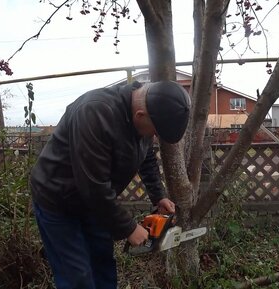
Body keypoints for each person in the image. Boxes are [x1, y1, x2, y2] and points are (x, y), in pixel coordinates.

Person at [29, 80, 191, 289]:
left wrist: (158, 196)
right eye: (155, 131)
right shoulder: (95, 113)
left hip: (96, 204)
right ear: (139, 115)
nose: (154, 136)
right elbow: (92, 184)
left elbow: (147, 158)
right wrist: (128, 227)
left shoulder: (145, 116)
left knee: (103, 264)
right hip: (58, 201)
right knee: (77, 276)